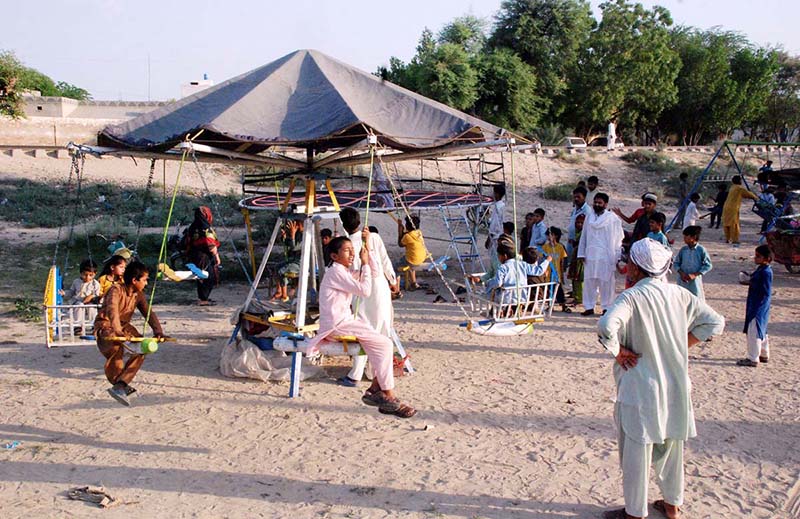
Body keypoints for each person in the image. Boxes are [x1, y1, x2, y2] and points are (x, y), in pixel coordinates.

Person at [597, 238, 725, 519]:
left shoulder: (630, 297)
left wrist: (618, 352)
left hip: (640, 388)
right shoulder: (680, 295)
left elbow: (606, 326)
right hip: (676, 387)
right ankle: (672, 505)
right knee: (672, 451)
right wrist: (682, 344)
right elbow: (716, 322)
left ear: (635, 267)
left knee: (636, 454)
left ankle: (634, 512)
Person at [310, 234, 415, 418]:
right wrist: (364, 264)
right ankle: (387, 394)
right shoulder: (335, 272)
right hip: (337, 324)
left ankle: (376, 389)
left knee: (383, 344)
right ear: (334, 256)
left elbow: (373, 275)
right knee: (384, 344)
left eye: (353, 250)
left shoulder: (344, 272)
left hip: (347, 321)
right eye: (347, 251)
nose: (352, 254)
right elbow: (365, 290)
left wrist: (368, 253)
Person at [94, 261, 165, 407]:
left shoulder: (138, 294)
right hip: (106, 325)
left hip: (124, 327)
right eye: (144, 280)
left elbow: (148, 312)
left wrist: (158, 331)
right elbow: (112, 310)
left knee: (142, 347)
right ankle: (118, 383)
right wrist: (117, 330)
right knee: (116, 348)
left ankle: (121, 384)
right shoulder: (115, 290)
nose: (146, 283)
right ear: (134, 280)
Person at [340, 207, 397, 387]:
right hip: (379, 287)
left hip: (363, 290)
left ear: (344, 225)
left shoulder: (346, 245)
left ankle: (357, 374)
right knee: (381, 330)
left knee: (364, 333)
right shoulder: (373, 237)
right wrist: (393, 279)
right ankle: (376, 374)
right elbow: (385, 260)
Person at [578, 193, 624, 316]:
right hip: (591, 254)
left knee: (606, 283)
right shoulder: (589, 217)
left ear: (606, 204)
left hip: (606, 255)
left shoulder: (612, 219)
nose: (597, 205)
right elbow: (584, 236)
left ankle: (606, 307)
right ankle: (588, 306)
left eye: (600, 203)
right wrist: (581, 253)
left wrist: (617, 255)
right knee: (589, 282)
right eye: (596, 202)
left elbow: (618, 238)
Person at [471, 243, 550, 305]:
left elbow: (498, 283)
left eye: (499, 256)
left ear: (504, 256)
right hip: (522, 298)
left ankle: (497, 312)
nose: (498, 258)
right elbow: (539, 271)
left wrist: (488, 284)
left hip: (506, 299)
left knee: (486, 293)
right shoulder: (523, 264)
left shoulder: (503, 268)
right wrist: (547, 261)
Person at [737, 245, 773, 367]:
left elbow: (766, 292)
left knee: (754, 331)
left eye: (758, 256)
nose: (755, 258)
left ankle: (753, 358)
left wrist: (760, 306)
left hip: (758, 305)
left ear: (766, 258)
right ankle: (764, 354)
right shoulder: (761, 269)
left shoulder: (766, 272)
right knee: (762, 329)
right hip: (757, 304)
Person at [184, 206, 221, 305]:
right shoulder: (205, 228)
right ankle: (203, 299)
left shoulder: (193, 227)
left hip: (194, 255)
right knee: (207, 276)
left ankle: (203, 298)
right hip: (204, 256)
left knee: (201, 276)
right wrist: (217, 257)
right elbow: (210, 245)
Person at [674, 226, 712, 302]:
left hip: (694, 282)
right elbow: (676, 263)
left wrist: (695, 274)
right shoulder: (683, 250)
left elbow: (708, 265)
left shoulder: (701, 250)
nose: (684, 238)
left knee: (696, 301)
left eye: (686, 236)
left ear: (693, 237)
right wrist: (681, 273)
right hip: (682, 281)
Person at [61, 259, 101, 327]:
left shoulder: (95, 284)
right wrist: (64, 293)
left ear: (95, 274)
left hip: (89, 302)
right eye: (85, 275)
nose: (87, 277)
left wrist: (91, 297)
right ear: (81, 273)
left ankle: (93, 324)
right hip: (78, 301)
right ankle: (78, 325)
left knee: (92, 308)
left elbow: (96, 295)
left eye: (90, 275)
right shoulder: (76, 282)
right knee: (79, 305)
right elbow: (71, 292)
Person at [721, 176, 759, 245]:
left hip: (726, 207)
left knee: (726, 223)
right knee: (734, 223)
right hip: (733, 208)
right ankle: (735, 239)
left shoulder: (732, 187)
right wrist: (756, 198)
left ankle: (728, 238)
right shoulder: (739, 188)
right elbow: (749, 194)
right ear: (739, 181)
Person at [273, 219, 303, 302]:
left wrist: (293, 235)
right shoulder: (298, 234)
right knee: (277, 267)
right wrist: (284, 237)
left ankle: (284, 295)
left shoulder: (305, 235)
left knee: (281, 271)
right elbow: (288, 244)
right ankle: (279, 291)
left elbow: (294, 248)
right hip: (293, 260)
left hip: (300, 263)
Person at [396, 214, 427, 290]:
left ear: (407, 226)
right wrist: (402, 228)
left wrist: (400, 232)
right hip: (421, 257)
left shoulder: (407, 236)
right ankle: (413, 283)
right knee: (411, 264)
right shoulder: (418, 232)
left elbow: (400, 244)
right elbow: (407, 235)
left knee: (395, 267)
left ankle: (395, 287)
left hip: (413, 260)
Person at [543, 227, 570, 312]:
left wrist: (562, 272)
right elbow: (542, 259)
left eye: (551, 235)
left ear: (556, 236)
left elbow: (563, 260)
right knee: (549, 289)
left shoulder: (560, 247)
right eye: (548, 235)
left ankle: (563, 305)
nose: (549, 237)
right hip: (548, 272)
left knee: (559, 290)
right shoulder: (545, 247)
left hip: (557, 273)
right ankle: (550, 305)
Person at [567, 186, 590, 260]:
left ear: (584, 197)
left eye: (578, 197)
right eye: (575, 197)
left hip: (579, 244)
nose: (576, 199)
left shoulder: (587, 211)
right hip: (571, 241)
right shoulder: (575, 210)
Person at [567, 214, 586, 304]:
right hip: (575, 257)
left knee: (579, 279)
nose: (579, 225)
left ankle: (580, 298)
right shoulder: (577, 232)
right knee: (574, 278)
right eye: (577, 222)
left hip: (581, 260)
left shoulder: (585, 233)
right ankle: (575, 296)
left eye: (581, 223)